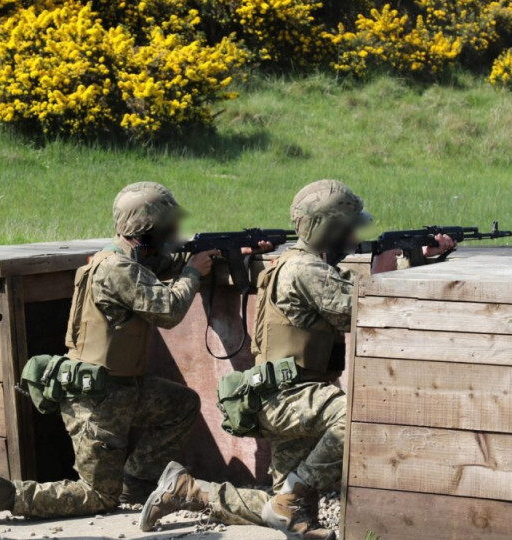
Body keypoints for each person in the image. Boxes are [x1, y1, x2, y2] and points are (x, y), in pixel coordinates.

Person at [139, 179, 455, 539]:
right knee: (357, 417)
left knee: (288, 512)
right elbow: (364, 313)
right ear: (328, 228)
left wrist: (414, 262)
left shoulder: (299, 263)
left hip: (283, 394)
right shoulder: (307, 270)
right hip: (288, 397)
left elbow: (351, 293)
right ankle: (292, 495)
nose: (354, 238)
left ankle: (185, 490)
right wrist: (393, 270)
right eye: (349, 229)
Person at [0, 182, 268, 521]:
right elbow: (168, 309)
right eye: (167, 228)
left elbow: (166, 264)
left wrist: (229, 251)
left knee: (181, 405)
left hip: (122, 390)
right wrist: (194, 272)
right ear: (147, 230)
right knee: (96, 497)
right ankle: (4, 494)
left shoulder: (127, 258)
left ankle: (135, 484)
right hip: (96, 402)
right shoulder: (117, 269)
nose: (173, 233)